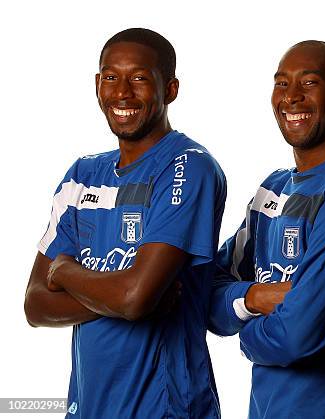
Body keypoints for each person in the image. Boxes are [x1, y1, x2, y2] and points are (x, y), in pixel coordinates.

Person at [24, 28, 226, 418]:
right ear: (97, 84)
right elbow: (35, 305)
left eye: (139, 78)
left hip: (165, 409)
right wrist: (117, 294)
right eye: (111, 77)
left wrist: (65, 271)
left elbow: (135, 299)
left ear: (170, 89)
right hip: (88, 407)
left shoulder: (188, 166)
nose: (122, 93)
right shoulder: (81, 175)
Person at [208, 40, 325, 418]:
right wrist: (255, 298)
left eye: (309, 83)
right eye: (282, 84)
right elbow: (208, 294)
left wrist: (245, 336)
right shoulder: (274, 187)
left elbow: (298, 334)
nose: (291, 97)